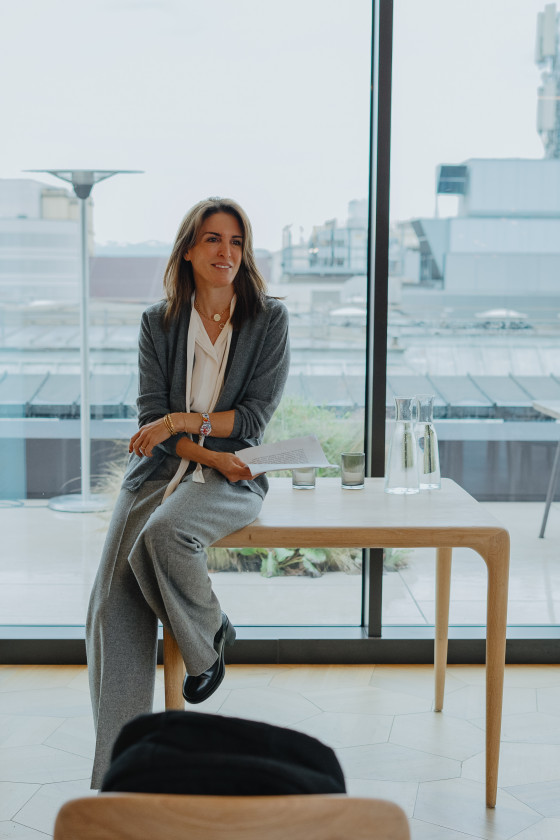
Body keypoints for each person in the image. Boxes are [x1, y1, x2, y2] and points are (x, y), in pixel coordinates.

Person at [86, 197, 290, 789]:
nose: (225, 252)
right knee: (110, 608)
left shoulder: (268, 321)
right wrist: (189, 437)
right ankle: (118, 780)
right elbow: (151, 420)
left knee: (163, 533)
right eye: (211, 240)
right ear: (188, 250)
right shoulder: (159, 322)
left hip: (236, 473)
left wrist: (180, 424)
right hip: (161, 471)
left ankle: (207, 642)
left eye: (235, 241)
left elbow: (251, 420)